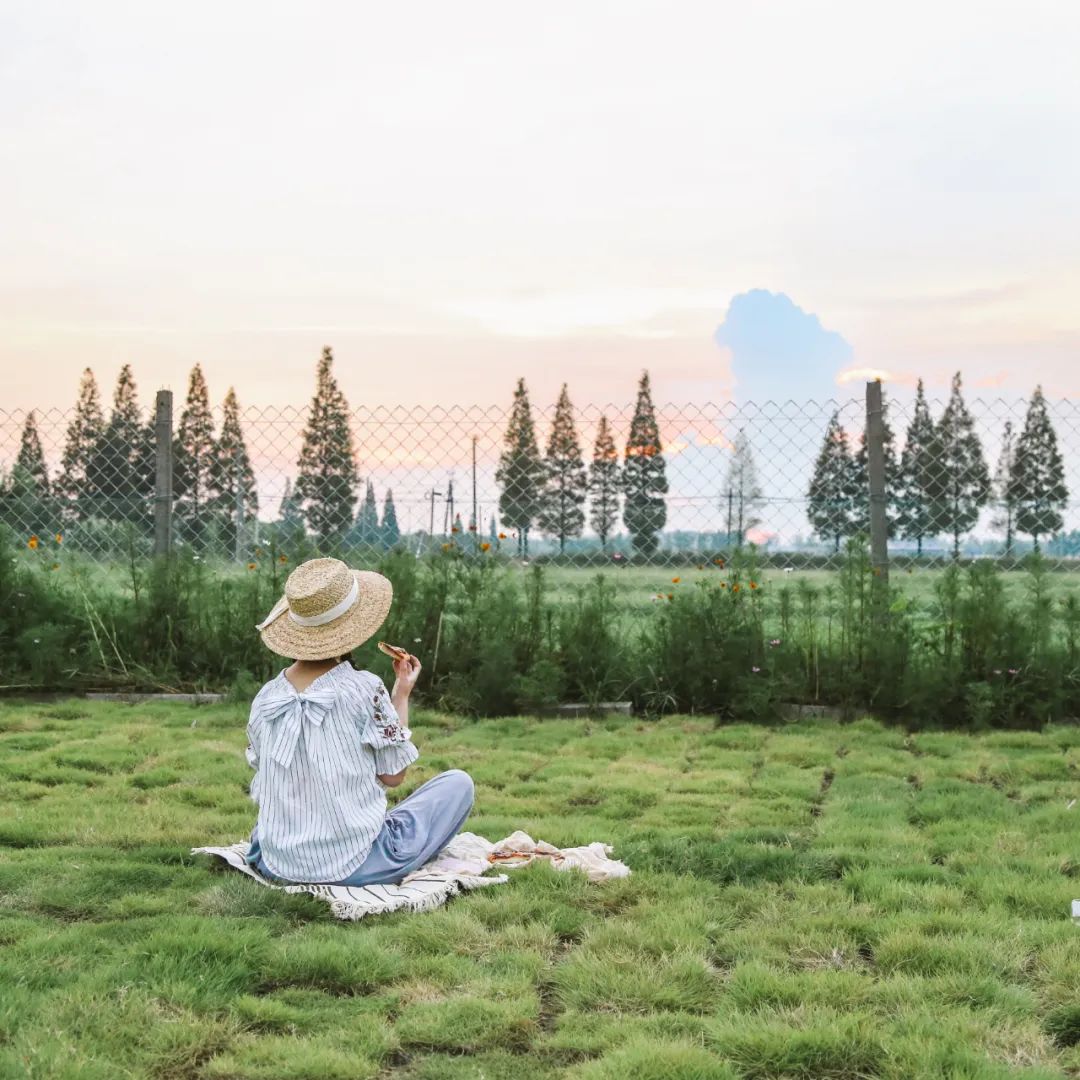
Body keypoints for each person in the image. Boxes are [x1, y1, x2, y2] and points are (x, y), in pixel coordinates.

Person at [243, 557, 474, 886]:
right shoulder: (364, 688)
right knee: (458, 783)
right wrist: (402, 695)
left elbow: (261, 766)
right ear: (352, 627)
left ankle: (303, 847)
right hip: (353, 864)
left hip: (276, 861)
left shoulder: (266, 696)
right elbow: (393, 776)